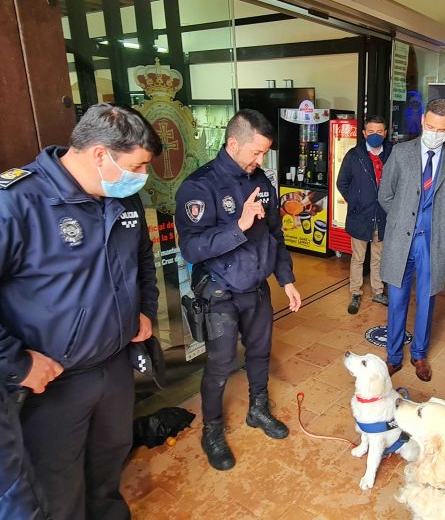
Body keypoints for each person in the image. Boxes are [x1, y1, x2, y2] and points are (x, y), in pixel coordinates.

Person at [0, 103, 161, 520]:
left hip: (114, 366)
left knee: (110, 462)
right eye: (138, 166)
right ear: (99, 154)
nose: (142, 178)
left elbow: (143, 260)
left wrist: (143, 310)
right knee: (59, 484)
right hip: (52, 384)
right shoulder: (18, 203)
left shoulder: (122, 200)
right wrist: (15, 363)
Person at [175, 109, 301, 472]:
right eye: (256, 152)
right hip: (219, 293)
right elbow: (192, 248)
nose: (260, 160)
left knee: (260, 354)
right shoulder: (200, 187)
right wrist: (240, 225)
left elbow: (275, 234)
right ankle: (212, 430)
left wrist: (286, 279)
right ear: (233, 143)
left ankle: (257, 411)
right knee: (220, 364)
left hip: (256, 288)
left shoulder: (261, 180)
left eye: (264, 153)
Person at [378, 98, 445, 382]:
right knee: (396, 300)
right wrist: (404, 219)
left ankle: (419, 354)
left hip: (434, 242)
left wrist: (437, 225)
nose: (434, 133)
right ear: (422, 122)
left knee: (428, 302)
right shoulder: (401, 153)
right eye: (430, 126)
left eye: (441, 129)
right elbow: (385, 195)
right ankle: (393, 357)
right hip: (400, 241)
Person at [337, 115, 393, 314]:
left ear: (385, 133)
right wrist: (357, 201)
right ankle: (355, 292)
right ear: (364, 133)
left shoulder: (392, 154)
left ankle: (378, 291)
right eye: (371, 131)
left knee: (378, 256)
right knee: (358, 258)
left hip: (383, 215)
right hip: (360, 215)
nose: (375, 135)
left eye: (379, 132)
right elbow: (341, 183)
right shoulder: (354, 155)